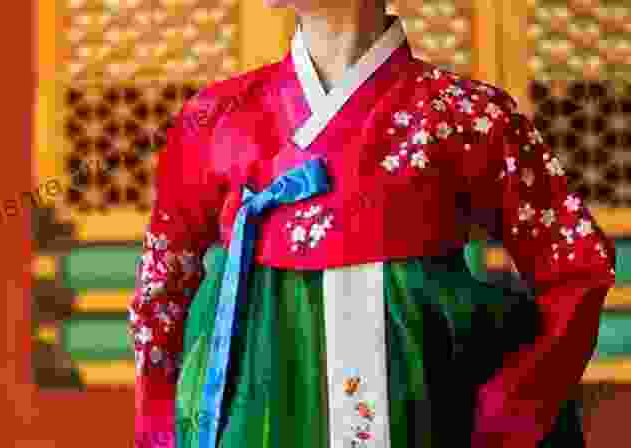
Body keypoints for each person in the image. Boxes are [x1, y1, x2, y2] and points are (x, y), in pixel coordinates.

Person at [128, 1, 617, 447]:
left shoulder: (471, 117)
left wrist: (515, 399)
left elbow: (578, 267)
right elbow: (163, 280)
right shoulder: (215, 118)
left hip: (421, 415)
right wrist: (159, 412)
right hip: (250, 411)